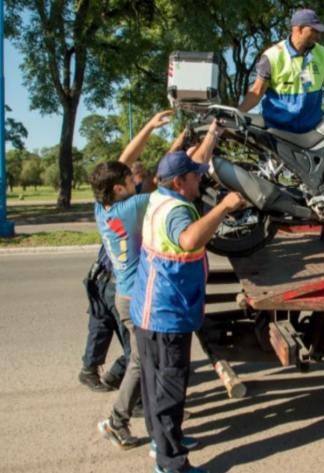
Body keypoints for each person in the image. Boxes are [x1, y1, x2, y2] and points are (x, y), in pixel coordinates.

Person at [130, 149, 246, 473]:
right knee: (169, 391)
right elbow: (189, 239)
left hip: (150, 312)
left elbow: (193, 159)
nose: (200, 179)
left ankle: (162, 441)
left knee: (155, 386)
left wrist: (211, 135)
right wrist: (223, 207)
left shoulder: (158, 197)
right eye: (194, 176)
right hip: (167, 316)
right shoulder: (177, 211)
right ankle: (171, 464)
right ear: (179, 182)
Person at [91, 110, 174, 449]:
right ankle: (117, 420)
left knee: (142, 361)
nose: (136, 180)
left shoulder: (103, 207)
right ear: (119, 188)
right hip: (135, 298)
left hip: (123, 294)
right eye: (130, 180)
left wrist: (149, 128)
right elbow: (171, 183)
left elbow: (124, 161)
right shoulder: (135, 206)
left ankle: (124, 419)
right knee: (142, 363)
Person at [238, 7, 324, 242]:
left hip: (312, 127)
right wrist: (237, 113)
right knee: (275, 178)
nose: (319, 36)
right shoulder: (273, 56)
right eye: (314, 31)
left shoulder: (320, 53)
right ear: (298, 29)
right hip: (280, 129)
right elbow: (257, 91)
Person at [77, 246, 128, 392]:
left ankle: (95, 370)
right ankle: (125, 383)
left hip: (103, 275)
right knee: (135, 344)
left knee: (101, 325)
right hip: (111, 279)